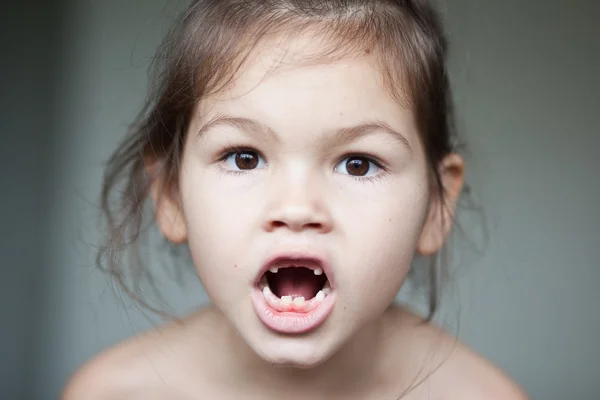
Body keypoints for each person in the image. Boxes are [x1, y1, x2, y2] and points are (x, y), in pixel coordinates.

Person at [64, 1, 528, 398]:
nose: (297, 208)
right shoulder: (112, 392)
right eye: (244, 158)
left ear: (434, 206)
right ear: (170, 195)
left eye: (358, 163)